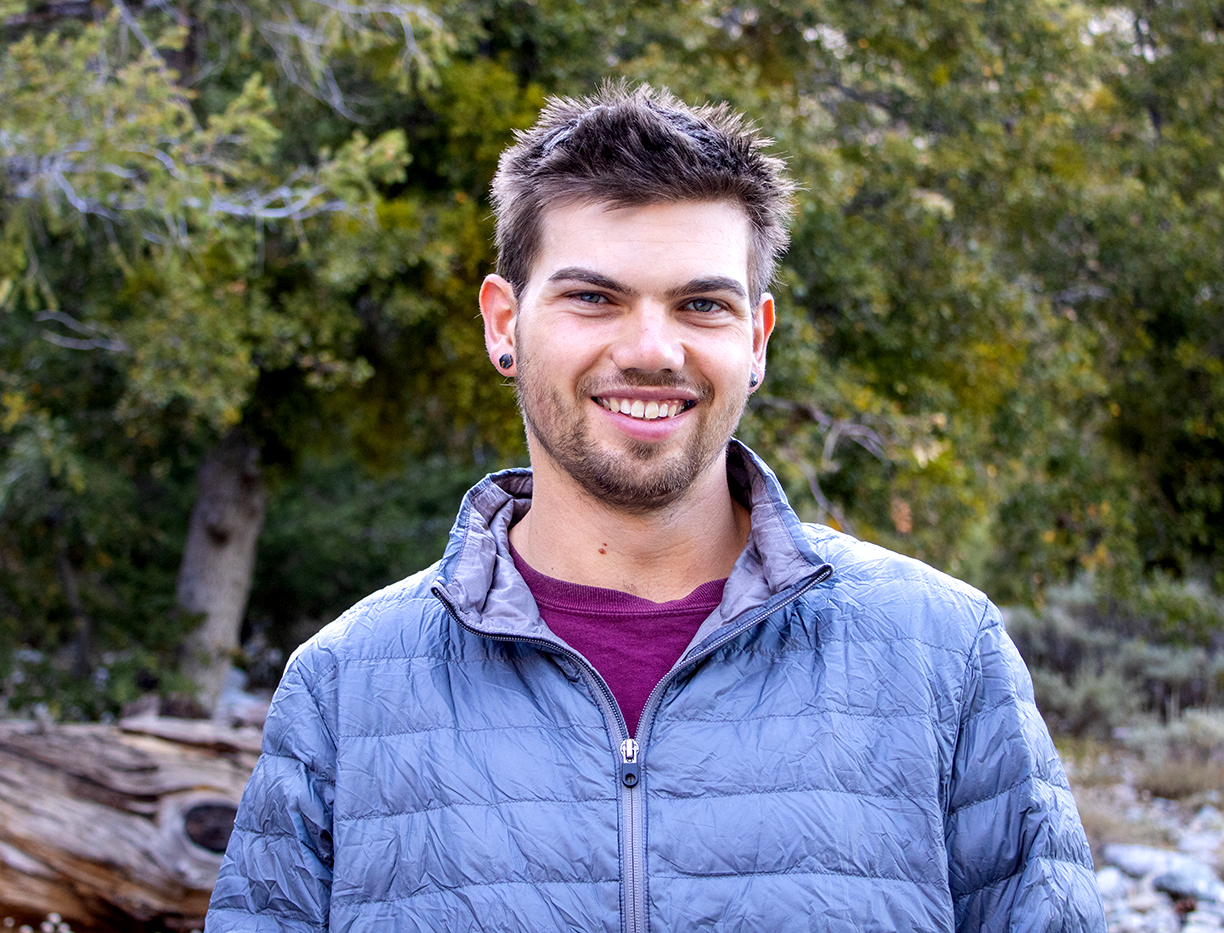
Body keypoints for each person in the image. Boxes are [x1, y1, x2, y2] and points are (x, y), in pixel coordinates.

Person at [206, 84, 1106, 932]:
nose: (650, 349)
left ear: (755, 339)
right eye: (593, 297)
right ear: (502, 323)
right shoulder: (345, 687)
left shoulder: (943, 656)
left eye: (701, 304)